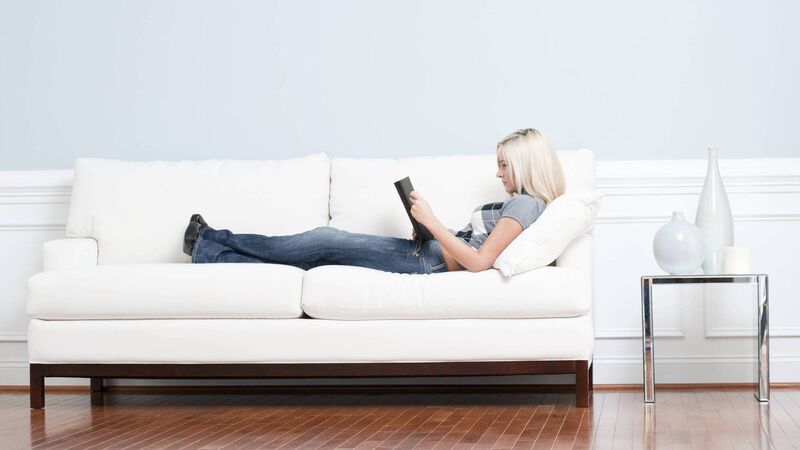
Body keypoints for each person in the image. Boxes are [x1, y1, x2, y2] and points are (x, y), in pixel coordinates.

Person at [184, 128, 566, 274]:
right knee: (316, 256)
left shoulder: (526, 205)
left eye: (504, 165)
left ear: (525, 164)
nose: (498, 174)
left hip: (429, 261)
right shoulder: (525, 204)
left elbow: (479, 262)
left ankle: (211, 239)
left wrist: (431, 223)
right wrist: (426, 228)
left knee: (323, 240)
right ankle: (210, 252)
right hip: (430, 252)